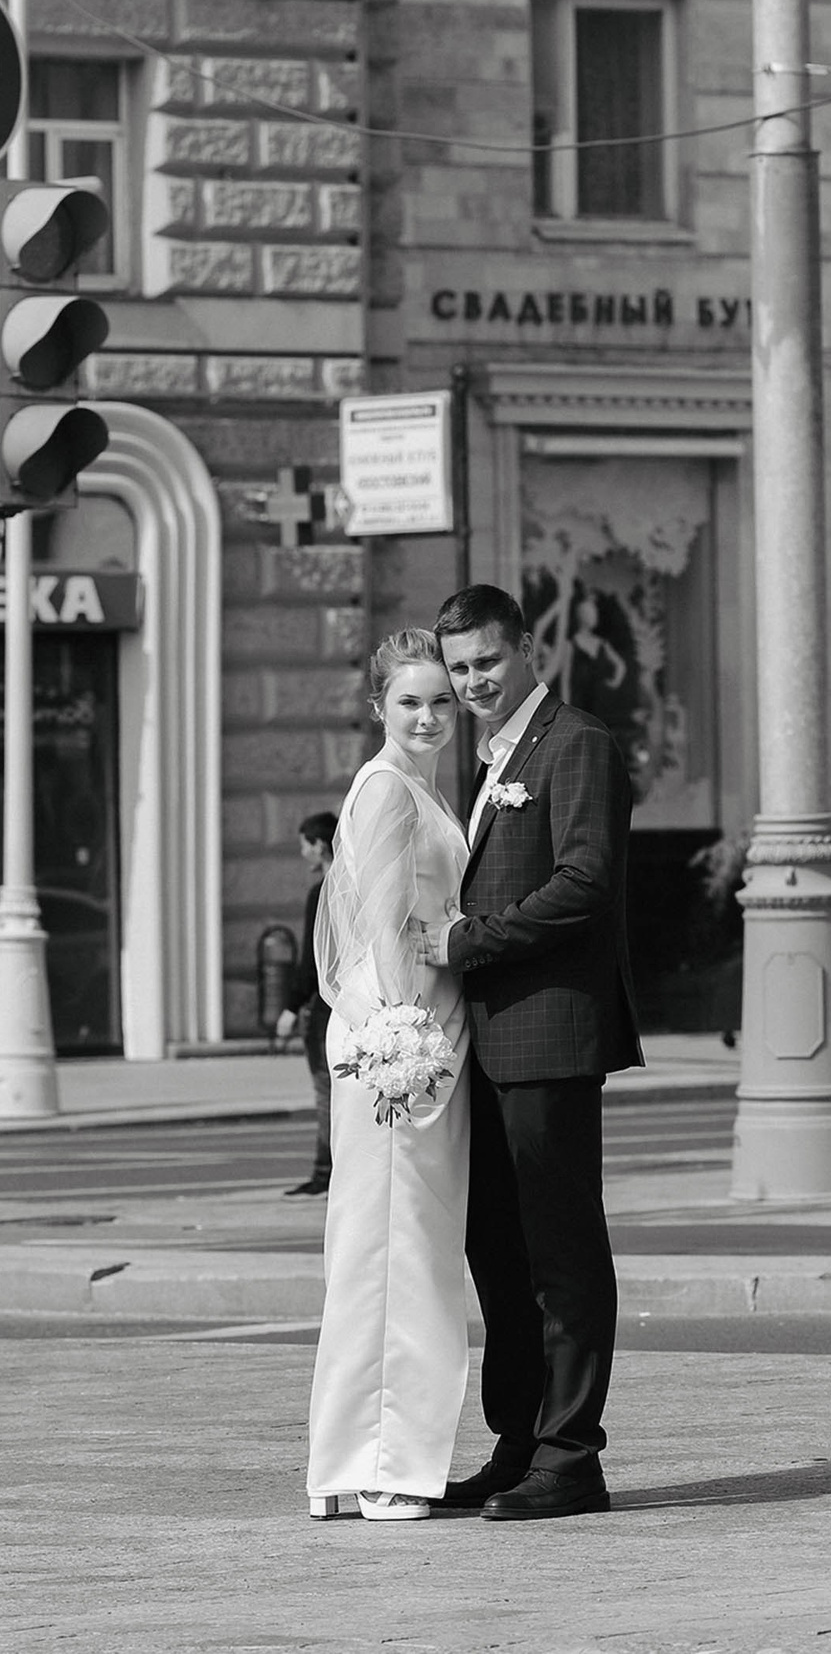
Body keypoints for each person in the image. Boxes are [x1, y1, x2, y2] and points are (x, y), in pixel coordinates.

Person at [417, 582, 640, 1522]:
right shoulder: (488, 757)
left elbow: (586, 880)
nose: (472, 682)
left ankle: (572, 1453)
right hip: (489, 1047)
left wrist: (473, 938)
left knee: (561, 1253)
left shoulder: (575, 741)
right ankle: (517, 1441)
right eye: (459, 667)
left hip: (550, 1034)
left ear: (528, 652)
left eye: (487, 663)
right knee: (498, 1254)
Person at [304, 630, 472, 1524]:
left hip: (416, 1033)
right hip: (402, 1047)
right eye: (410, 700)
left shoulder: (417, 787)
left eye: (442, 700)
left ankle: (346, 1464)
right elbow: (376, 927)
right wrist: (407, 1041)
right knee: (398, 1254)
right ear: (378, 707)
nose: (429, 715)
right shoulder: (384, 790)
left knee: (391, 1247)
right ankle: (382, 1466)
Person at [279, 811, 338, 1198]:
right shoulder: (356, 883)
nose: (303, 852)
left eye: (305, 844)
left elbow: (313, 960)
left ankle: (325, 1171)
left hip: (323, 1008)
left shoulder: (322, 891)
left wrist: (290, 1005)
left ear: (319, 844)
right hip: (351, 1002)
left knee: (325, 1093)